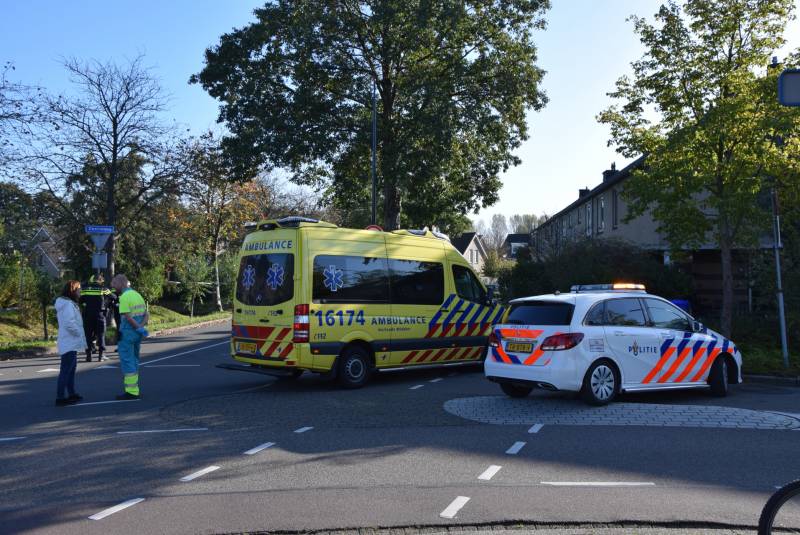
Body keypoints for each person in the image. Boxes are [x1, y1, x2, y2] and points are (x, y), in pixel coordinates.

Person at [110, 274, 149, 400]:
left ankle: (131, 391)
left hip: (127, 334)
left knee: (127, 361)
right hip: (137, 335)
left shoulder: (124, 297)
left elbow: (127, 317)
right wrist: (140, 328)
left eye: (114, 284)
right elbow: (146, 314)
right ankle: (135, 388)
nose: (113, 287)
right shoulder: (137, 295)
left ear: (121, 283)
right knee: (134, 360)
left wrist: (136, 327)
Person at [54, 280, 87, 406]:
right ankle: (60, 397)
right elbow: (69, 323)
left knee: (71, 369)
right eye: (79, 289)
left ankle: (71, 393)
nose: (80, 291)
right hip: (69, 341)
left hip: (69, 341)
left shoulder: (68, 303)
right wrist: (79, 333)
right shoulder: (67, 304)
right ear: (73, 290)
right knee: (66, 370)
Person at [79, 274, 116, 362]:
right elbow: (113, 297)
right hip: (100, 315)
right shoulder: (103, 289)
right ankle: (101, 355)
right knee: (101, 335)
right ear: (100, 281)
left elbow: (80, 300)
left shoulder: (85, 289)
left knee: (88, 335)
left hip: (87, 315)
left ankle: (88, 355)